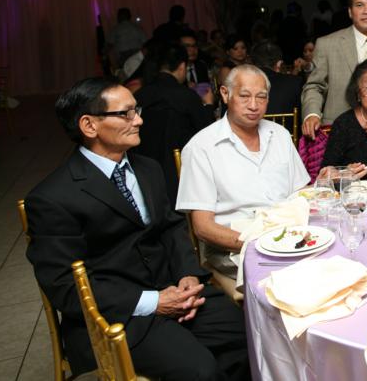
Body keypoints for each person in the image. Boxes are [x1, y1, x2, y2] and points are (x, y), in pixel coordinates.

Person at [24, 78, 249, 380]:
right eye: (126, 113)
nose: (139, 120)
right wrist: (154, 302)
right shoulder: (53, 197)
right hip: (118, 317)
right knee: (200, 370)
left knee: (249, 335)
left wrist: (187, 275)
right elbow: (64, 285)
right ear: (89, 125)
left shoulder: (148, 168)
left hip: (174, 290)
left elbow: (171, 228)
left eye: (137, 110)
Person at [176, 65, 310, 279]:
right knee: (295, 276)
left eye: (261, 97)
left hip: (287, 236)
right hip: (233, 246)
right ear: (225, 94)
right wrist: (260, 243)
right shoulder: (202, 147)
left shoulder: (280, 135)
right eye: (244, 96)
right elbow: (202, 227)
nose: (254, 105)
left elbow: (300, 194)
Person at [301, 0, 367, 138]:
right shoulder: (327, 44)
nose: (366, 11)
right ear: (350, 12)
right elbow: (314, 85)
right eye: (359, 5)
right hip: (338, 131)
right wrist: (312, 114)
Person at [133, 43, 216, 202]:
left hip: (145, 169)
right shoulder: (186, 96)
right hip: (181, 170)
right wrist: (208, 105)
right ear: (182, 66)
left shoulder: (141, 94)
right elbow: (206, 133)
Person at [250, 41, 303, 116]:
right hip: (286, 124)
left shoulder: (242, 83)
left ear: (252, 64)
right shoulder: (296, 83)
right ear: (279, 64)